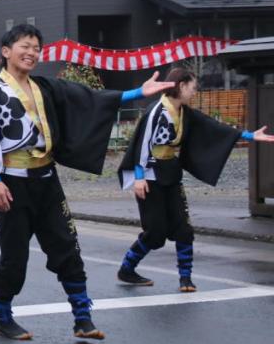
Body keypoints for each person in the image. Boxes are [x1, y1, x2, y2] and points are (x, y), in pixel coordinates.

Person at [0, 23, 173, 341]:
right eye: (25, 46)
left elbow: (89, 99)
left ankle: (82, 318)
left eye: (37, 48)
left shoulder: (45, 87)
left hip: (47, 179)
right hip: (12, 182)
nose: (32, 53)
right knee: (14, 255)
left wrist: (137, 93)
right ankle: (2, 314)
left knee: (67, 247)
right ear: (6, 51)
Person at [116, 67, 274, 292]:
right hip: (150, 176)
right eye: (193, 87)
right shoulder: (157, 111)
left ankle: (185, 278)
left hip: (170, 172)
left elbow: (214, 127)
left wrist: (249, 135)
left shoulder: (183, 112)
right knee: (155, 233)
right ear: (181, 86)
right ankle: (127, 269)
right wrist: (139, 177)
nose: (194, 92)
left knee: (184, 229)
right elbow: (142, 143)